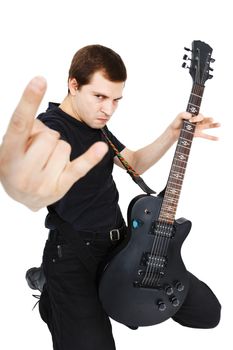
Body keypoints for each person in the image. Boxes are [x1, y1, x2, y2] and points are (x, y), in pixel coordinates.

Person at [0, 44, 221, 350]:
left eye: (116, 100)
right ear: (73, 84)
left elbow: (135, 162)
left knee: (207, 313)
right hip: (72, 255)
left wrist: (173, 133)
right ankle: (53, 289)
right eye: (100, 97)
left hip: (122, 244)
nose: (108, 109)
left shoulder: (96, 125)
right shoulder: (51, 129)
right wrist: (20, 184)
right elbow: (31, 171)